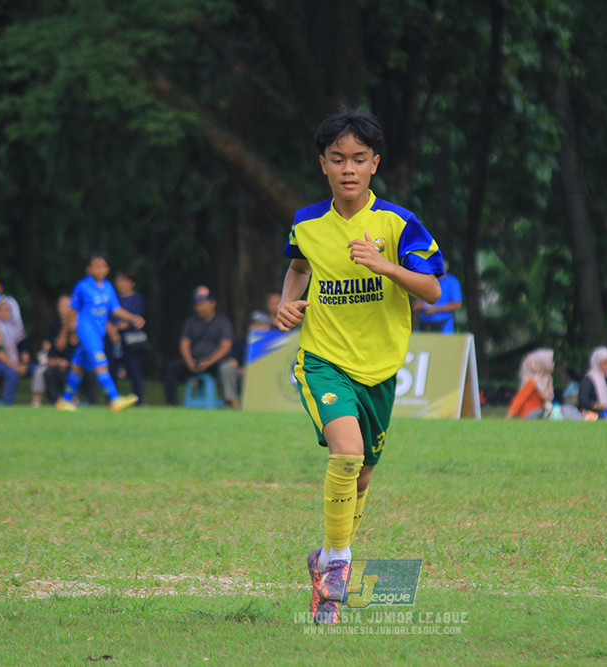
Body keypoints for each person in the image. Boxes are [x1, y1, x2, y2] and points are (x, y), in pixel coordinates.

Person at [275, 106, 443, 626]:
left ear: (375, 164)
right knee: (345, 454)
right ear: (322, 164)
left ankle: (324, 559)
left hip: (381, 368)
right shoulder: (307, 222)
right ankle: (339, 567)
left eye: (359, 159)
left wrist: (385, 266)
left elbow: (433, 291)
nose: (348, 168)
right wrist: (285, 302)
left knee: (363, 476)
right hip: (323, 360)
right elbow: (299, 264)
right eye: (337, 159)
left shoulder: (397, 222)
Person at [56, 253, 145, 412]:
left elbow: (116, 310)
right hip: (85, 330)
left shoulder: (108, 287)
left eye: (103, 266)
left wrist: (133, 318)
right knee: (101, 362)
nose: (100, 269)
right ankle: (115, 399)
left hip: (98, 332)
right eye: (96, 265)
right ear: (88, 269)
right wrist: (64, 334)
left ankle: (64, 400)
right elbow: (71, 311)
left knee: (78, 366)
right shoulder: (82, 287)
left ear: (107, 269)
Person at [163, 285, 240, 409]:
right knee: (172, 367)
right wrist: (189, 361)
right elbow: (184, 343)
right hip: (194, 362)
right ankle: (171, 403)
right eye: (197, 304)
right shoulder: (191, 321)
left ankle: (231, 402)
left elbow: (226, 346)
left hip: (215, 363)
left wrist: (208, 362)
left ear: (212, 303)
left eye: (203, 303)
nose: (199, 307)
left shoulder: (222, 322)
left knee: (227, 368)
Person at [111, 270, 147, 404]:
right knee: (111, 369)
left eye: (123, 280)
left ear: (131, 283)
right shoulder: (114, 298)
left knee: (134, 370)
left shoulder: (137, 298)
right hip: (114, 339)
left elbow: (136, 319)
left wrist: (123, 325)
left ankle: (139, 400)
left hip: (131, 341)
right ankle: (112, 398)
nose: (119, 284)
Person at [0, 300, 31, 405]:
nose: (4, 313)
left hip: (17, 363)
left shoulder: (17, 328)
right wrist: (16, 367)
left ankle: (37, 403)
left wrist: (24, 364)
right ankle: (8, 403)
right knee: (11, 373)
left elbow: (24, 348)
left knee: (36, 370)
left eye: (7, 310)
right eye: (1, 310)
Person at [415, 260, 462, 333]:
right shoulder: (426, 280)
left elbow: (457, 305)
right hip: (424, 323)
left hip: (444, 324)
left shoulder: (452, 282)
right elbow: (418, 298)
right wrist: (419, 303)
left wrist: (436, 309)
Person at [506, 348, 555, 419]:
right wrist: (508, 417)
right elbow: (520, 398)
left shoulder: (547, 379)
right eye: (550, 362)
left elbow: (548, 396)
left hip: (540, 412)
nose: (553, 364)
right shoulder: (534, 381)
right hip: (529, 413)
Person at [578, 346, 607, 418]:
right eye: (605, 363)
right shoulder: (589, 379)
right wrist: (597, 405)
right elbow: (583, 399)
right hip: (594, 413)